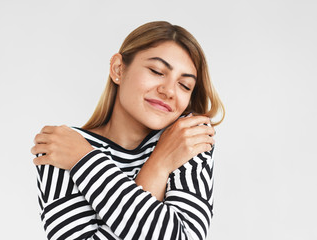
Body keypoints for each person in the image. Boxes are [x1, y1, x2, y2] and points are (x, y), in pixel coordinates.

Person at [31, 21, 225, 240]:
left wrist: (83, 160)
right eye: (157, 71)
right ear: (118, 69)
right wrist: (159, 167)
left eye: (185, 85)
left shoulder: (186, 138)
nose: (169, 91)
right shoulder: (63, 146)